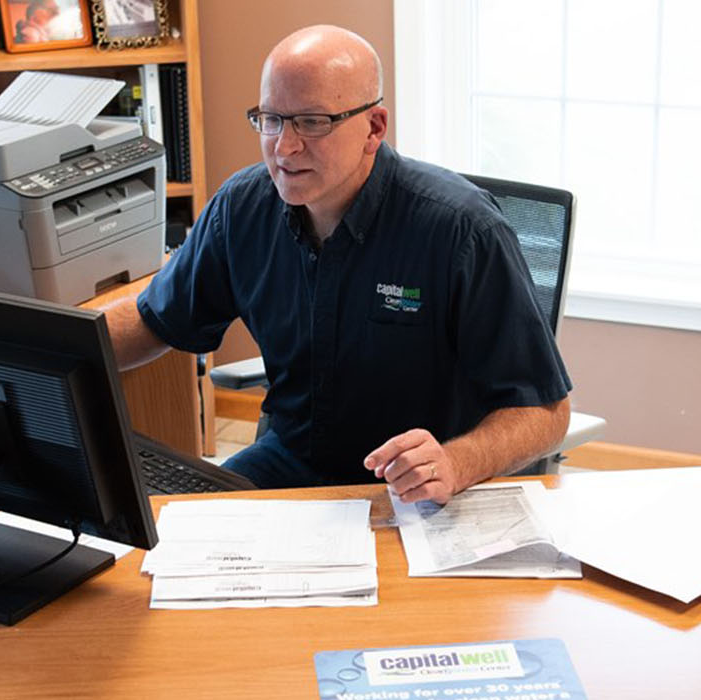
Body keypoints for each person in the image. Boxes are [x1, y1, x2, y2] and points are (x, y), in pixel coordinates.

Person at [106, 25, 572, 504]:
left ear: (374, 128)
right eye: (271, 118)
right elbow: (153, 320)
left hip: (420, 487)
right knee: (165, 530)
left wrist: (456, 462)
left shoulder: (463, 230)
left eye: (312, 122)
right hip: (289, 463)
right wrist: (51, 353)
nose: (284, 147)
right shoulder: (241, 208)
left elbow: (545, 411)